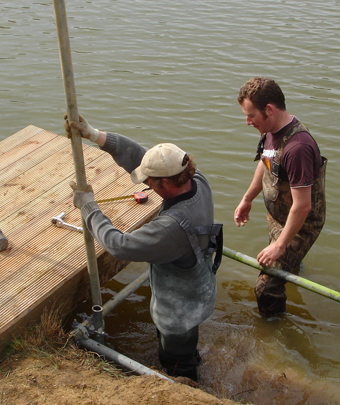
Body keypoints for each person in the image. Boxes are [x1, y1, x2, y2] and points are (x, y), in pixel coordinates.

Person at [65, 113, 222, 382]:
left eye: (149, 182)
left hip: (178, 310)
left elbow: (119, 245)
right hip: (196, 290)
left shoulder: (172, 228)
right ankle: (192, 360)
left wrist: (89, 208)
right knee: (187, 345)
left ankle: (186, 384)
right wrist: (95, 135)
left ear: (165, 184)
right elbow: (141, 156)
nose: (146, 184)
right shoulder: (196, 179)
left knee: (176, 359)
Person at [234, 77, 326, 317]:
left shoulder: (298, 148)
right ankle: (290, 269)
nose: (247, 122)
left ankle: (273, 329)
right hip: (278, 216)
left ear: (269, 109)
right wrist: (247, 199)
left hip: (300, 224)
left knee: (265, 288)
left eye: (251, 115)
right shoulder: (270, 130)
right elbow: (265, 164)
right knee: (283, 265)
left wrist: (279, 245)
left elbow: (303, 206)